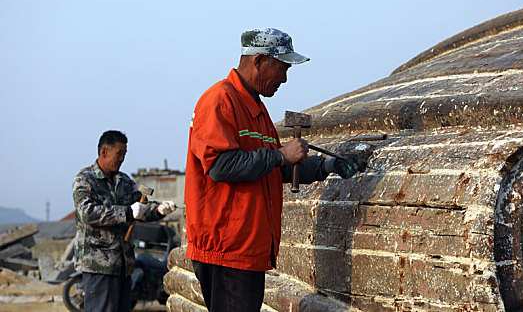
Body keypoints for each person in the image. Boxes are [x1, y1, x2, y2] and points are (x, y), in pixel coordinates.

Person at [184, 28, 370, 311]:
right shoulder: (220, 100)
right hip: (226, 248)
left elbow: (275, 167)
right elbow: (221, 166)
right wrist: (281, 156)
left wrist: (329, 164)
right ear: (259, 61)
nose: (283, 79)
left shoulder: (256, 109)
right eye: (281, 69)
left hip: (246, 247)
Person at [72, 130, 177, 312]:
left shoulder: (124, 181)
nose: (122, 159)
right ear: (104, 152)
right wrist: (126, 212)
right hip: (99, 267)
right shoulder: (85, 179)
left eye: (124, 154)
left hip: (124, 265)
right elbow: (87, 213)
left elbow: (140, 209)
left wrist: (159, 210)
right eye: (119, 153)